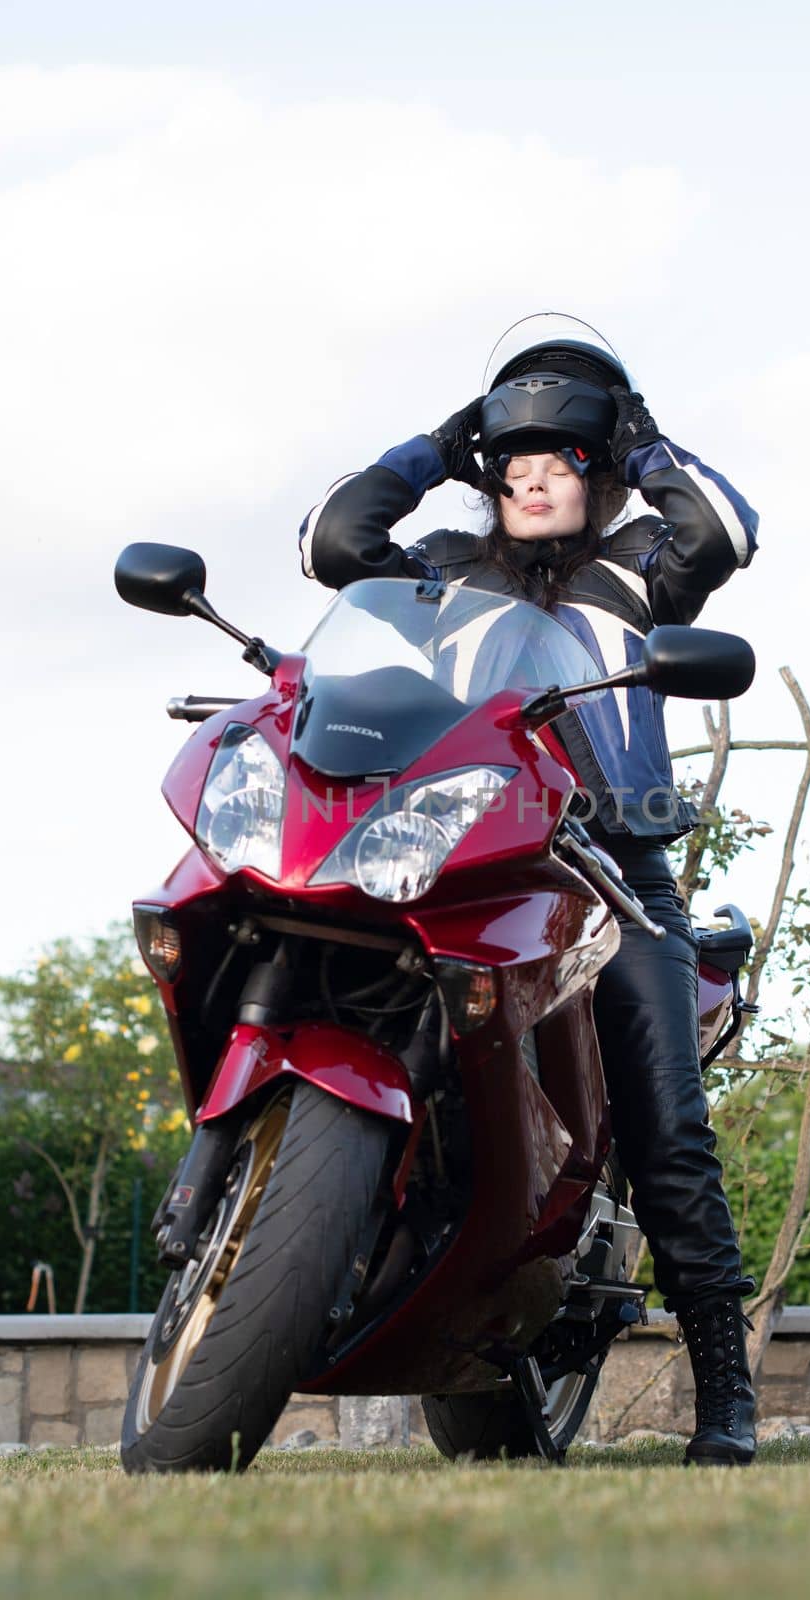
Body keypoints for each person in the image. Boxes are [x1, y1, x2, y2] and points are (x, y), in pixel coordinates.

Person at [299, 314, 760, 1466]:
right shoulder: (440, 575)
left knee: (666, 1129)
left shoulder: (637, 570)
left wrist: (641, 434)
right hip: (457, 838)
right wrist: (444, 438)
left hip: (612, 859)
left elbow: (726, 530)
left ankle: (724, 1395)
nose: (535, 473)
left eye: (563, 457)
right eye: (515, 458)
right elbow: (331, 539)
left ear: (596, 471)